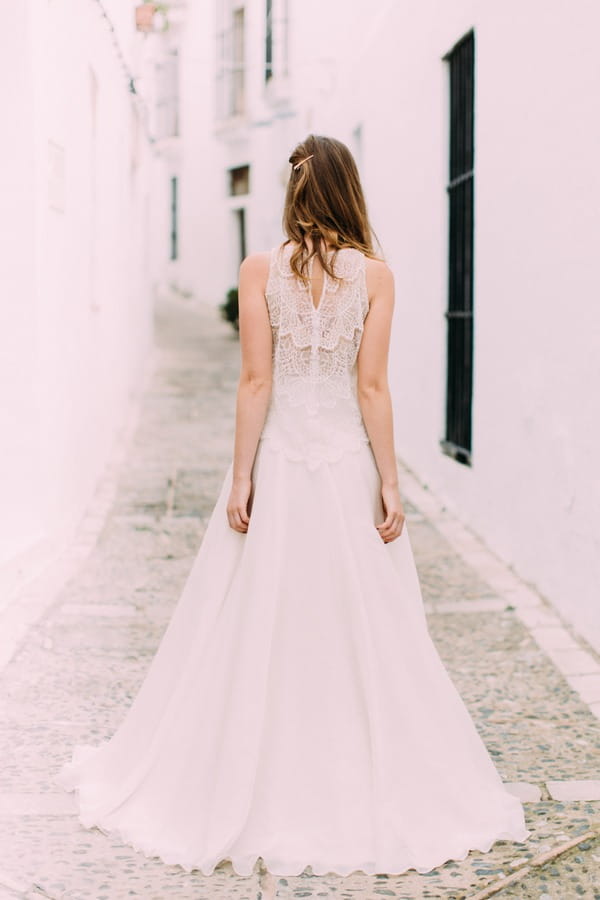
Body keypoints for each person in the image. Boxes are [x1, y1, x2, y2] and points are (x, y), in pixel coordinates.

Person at [55, 134, 530, 878]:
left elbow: (254, 381)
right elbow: (371, 388)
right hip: (343, 467)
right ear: (349, 191)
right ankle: (361, 773)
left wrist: (241, 477)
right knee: (360, 624)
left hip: (279, 463)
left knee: (255, 618)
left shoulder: (258, 270)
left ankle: (249, 768)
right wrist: (390, 480)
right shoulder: (377, 277)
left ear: (293, 193)